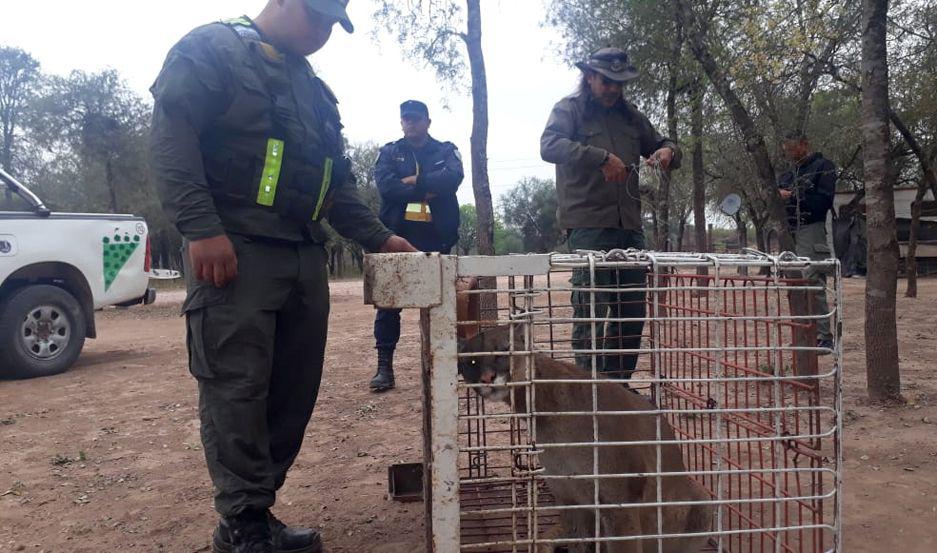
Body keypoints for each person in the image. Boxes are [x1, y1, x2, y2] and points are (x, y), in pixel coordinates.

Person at [149, 2, 416, 552]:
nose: (324, 36)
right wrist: (201, 229)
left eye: (331, 28)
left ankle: (256, 511)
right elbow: (173, 142)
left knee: (293, 389)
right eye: (318, 21)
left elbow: (335, 185)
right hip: (235, 250)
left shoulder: (313, 89)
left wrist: (380, 237)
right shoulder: (211, 49)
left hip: (302, 253)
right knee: (237, 389)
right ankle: (242, 525)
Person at [540, 47, 681, 381]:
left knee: (630, 312)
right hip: (588, 226)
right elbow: (549, 146)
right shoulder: (568, 110)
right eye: (607, 81)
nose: (614, 89)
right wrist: (600, 157)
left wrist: (666, 152)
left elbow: (668, 144)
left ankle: (615, 388)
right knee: (590, 310)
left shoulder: (632, 117)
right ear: (589, 78)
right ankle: (589, 392)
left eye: (620, 83)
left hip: (629, 227)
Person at [368, 100, 464, 392]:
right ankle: (384, 367)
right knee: (388, 304)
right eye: (406, 119)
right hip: (397, 239)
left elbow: (453, 178)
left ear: (427, 122)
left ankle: (446, 364)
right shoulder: (389, 152)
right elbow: (386, 187)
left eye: (416, 118)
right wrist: (428, 189)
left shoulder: (446, 150)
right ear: (401, 122)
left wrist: (414, 182)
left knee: (441, 304)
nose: (410, 123)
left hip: (437, 238)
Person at [778, 131, 837, 351]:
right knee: (795, 283)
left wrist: (793, 196)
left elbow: (823, 201)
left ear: (804, 145)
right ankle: (803, 334)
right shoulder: (787, 174)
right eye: (787, 150)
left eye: (792, 148)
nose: (790, 153)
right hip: (790, 231)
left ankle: (823, 336)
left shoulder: (824, 166)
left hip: (811, 228)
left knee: (811, 279)